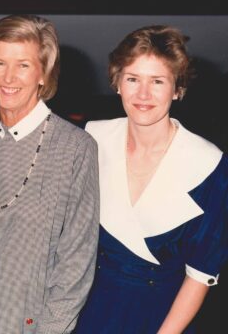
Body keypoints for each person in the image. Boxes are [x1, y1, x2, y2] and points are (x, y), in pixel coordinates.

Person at [0, 14, 99, 333]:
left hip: (29, 325)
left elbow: (77, 260)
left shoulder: (75, 146)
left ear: (43, 73)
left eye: (23, 65)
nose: (8, 77)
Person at [74, 25, 228, 333]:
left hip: (161, 317)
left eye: (157, 81)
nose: (143, 94)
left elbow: (200, 273)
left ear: (176, 88)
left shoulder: (209, 163)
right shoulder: (91, 138)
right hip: (87, 309)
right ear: (117, 83)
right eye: (132, 79)